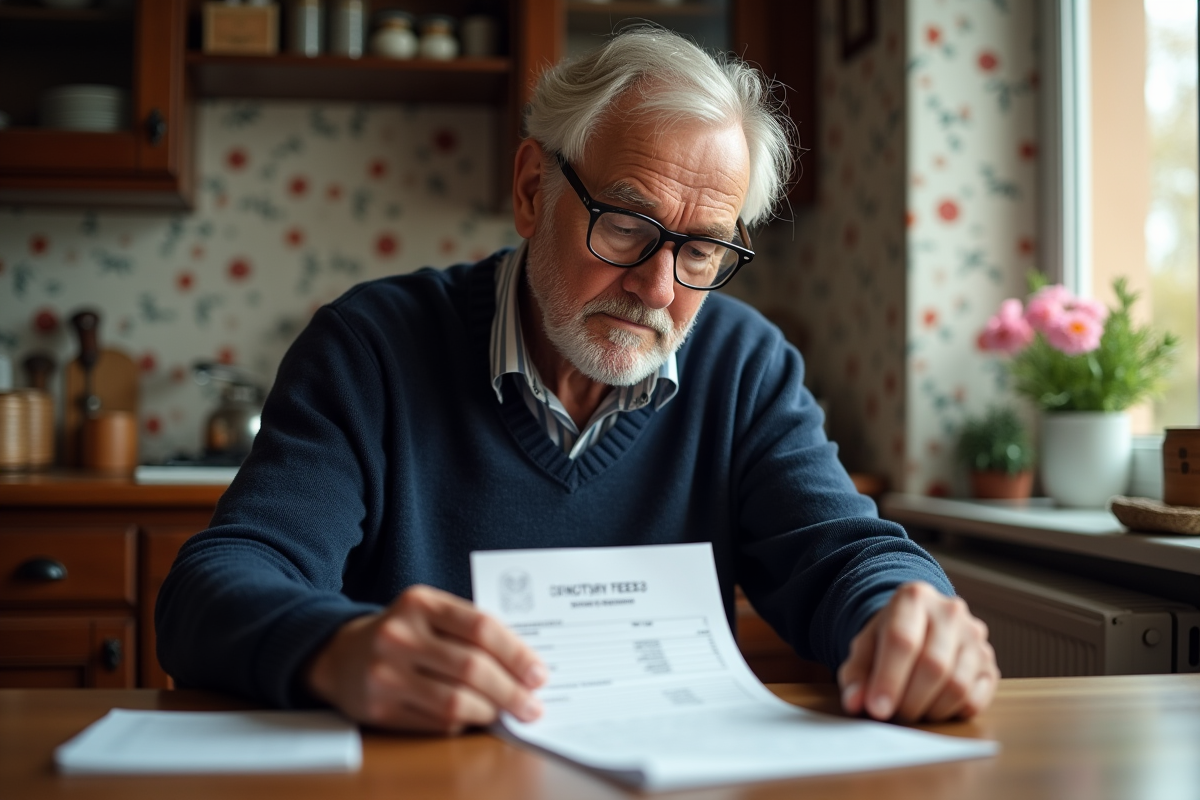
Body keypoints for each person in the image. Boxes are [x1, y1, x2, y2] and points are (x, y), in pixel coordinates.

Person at [157, 27, 998, 735]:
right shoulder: (369, 348)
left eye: (702, 248)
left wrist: (909, 611)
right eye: (628, 225)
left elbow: (841, 553)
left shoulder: (746, 366)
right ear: (532, 191)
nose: (660, 289)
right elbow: (216, 584)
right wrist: (332, 649)